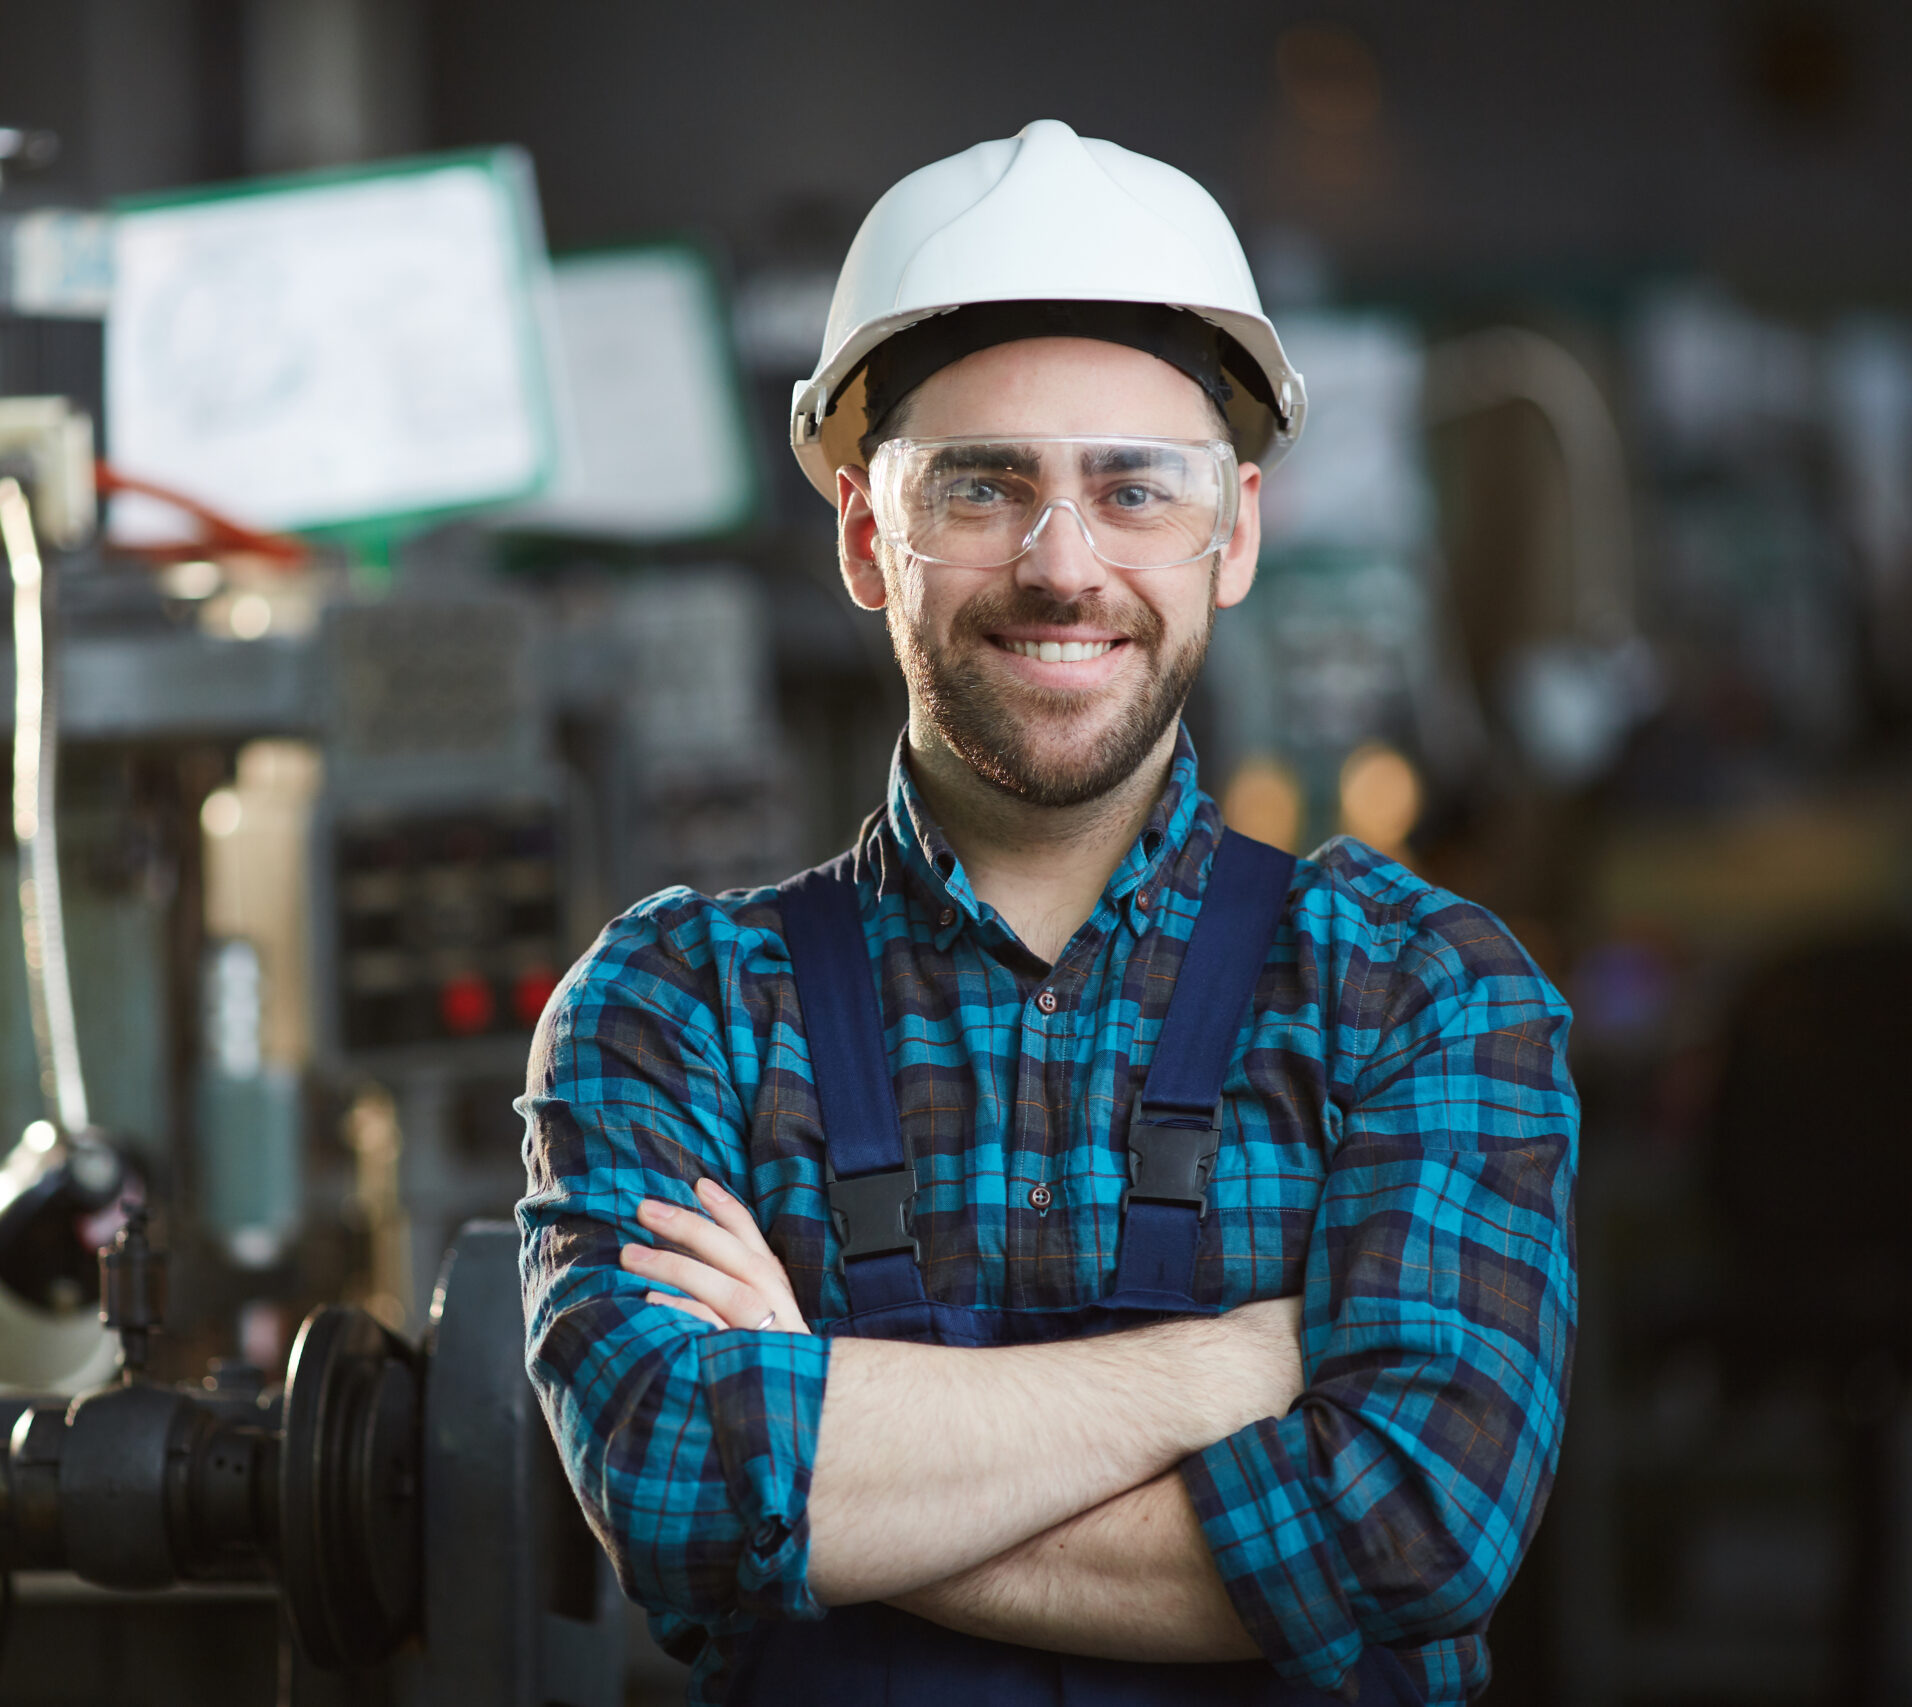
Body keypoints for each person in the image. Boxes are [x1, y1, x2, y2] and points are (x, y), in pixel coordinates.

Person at [517, 119, 1576, 1705]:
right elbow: (676, 1489)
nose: (1062, 564)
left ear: (1235, 539)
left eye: (1135, 489)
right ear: (871, 540)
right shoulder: (675, 1008)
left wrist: (822, 1436)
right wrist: (1238, 1369)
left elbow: (1411, 1530)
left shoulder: (1418, 991)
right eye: (981, 488)